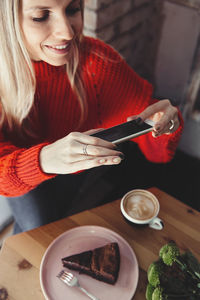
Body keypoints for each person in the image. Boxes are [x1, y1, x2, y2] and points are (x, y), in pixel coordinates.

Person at [0, 0, 183, 234]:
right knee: (34, 228)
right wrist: (44, 160)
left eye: (72, 9)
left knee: (57, 218)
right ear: (8, 20)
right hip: (16, 166)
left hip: (73, 169)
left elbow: (157, 150)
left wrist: (167, 123)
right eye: (41, 16)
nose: (67, 32)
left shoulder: (99, 65)